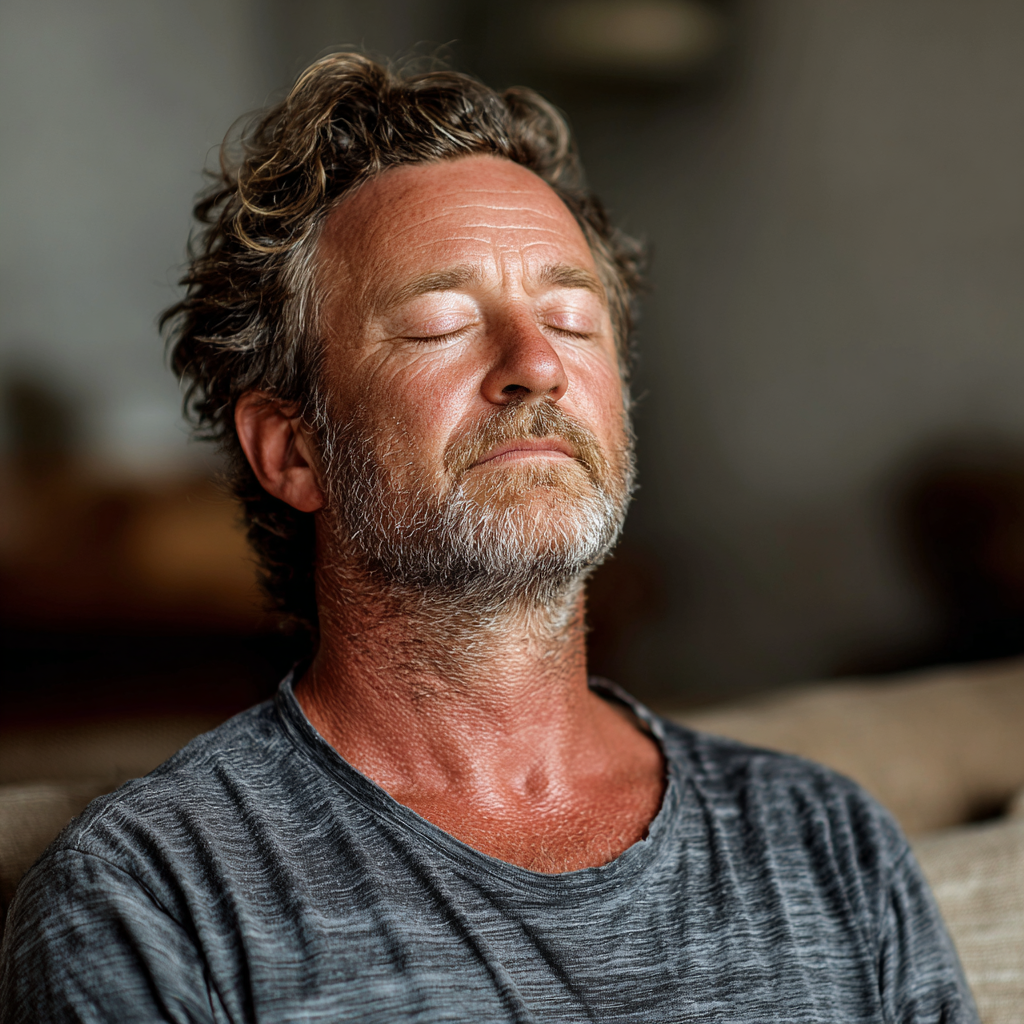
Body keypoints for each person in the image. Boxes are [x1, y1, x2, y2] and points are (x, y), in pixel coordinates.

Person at [0, 53, 976, 1023]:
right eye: (438, 324)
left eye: (571, 319)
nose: (536, 365)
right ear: (292, 451)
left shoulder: (827, 840)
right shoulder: (155, 901)